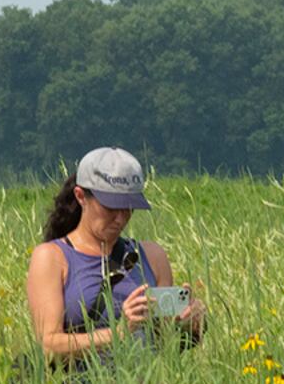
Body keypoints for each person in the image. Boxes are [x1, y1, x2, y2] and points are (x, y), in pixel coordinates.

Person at [26, 146, 205, 365]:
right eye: (111, 207)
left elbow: (163, 343)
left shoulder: (152, 256)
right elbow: (48, 346)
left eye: (128, 208)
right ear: (81, 196)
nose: (120, 219)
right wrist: (119, 333)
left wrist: (189, 323)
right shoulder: (52, 257)